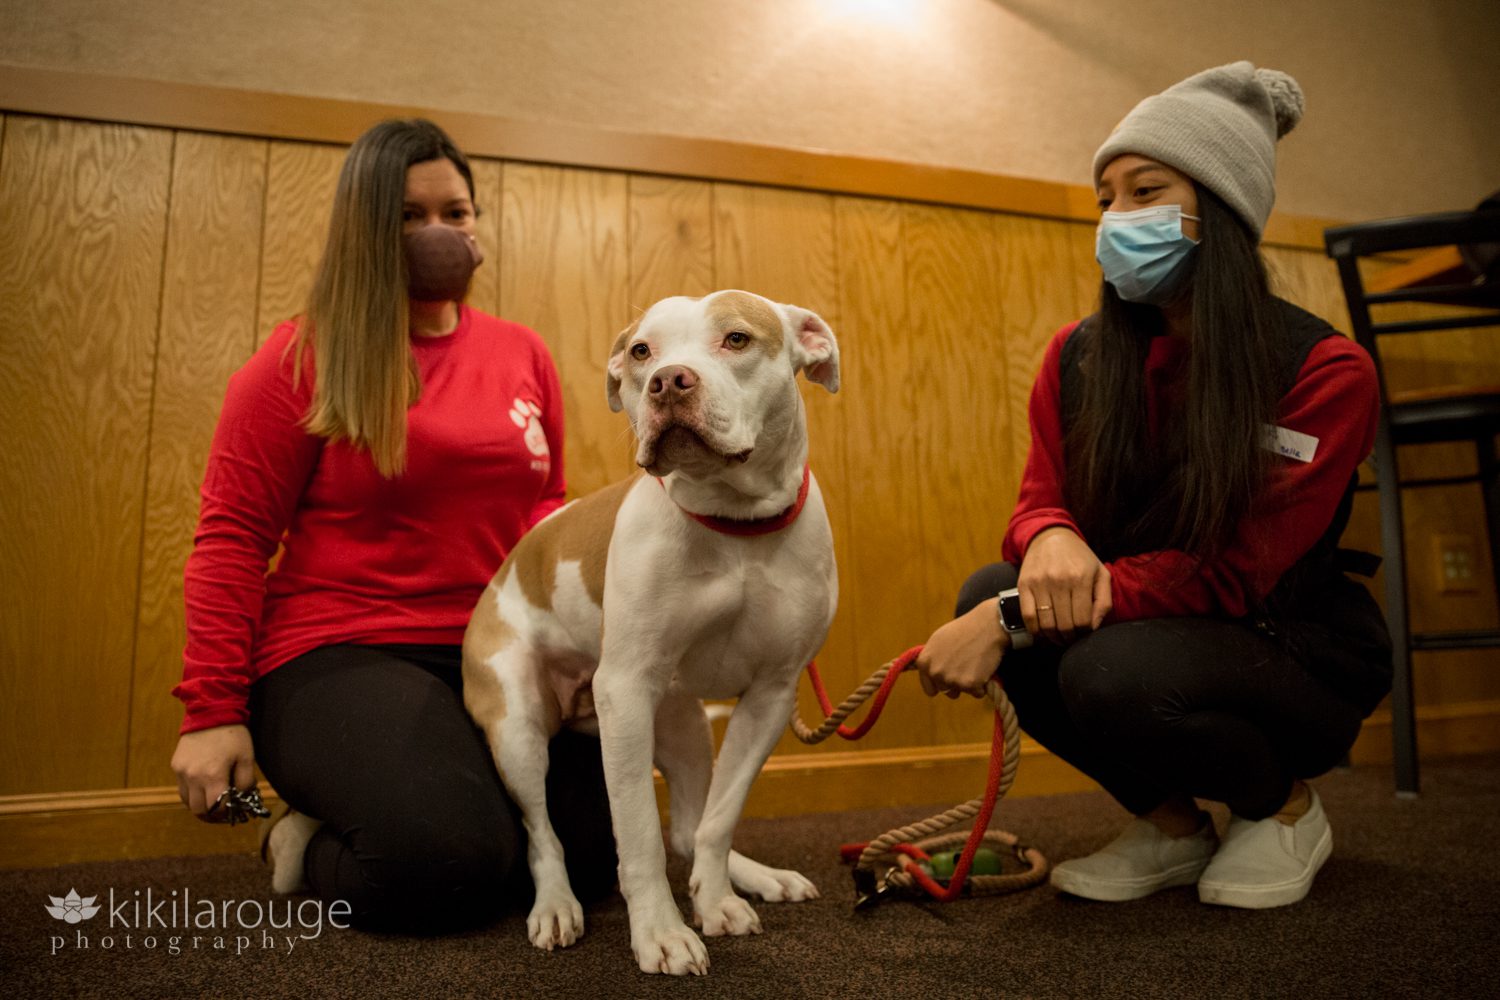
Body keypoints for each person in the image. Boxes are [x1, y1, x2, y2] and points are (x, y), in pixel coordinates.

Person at [916, 63, 1391, 909]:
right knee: (988, 586)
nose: (1115, 221)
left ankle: (1281, 808)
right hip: (1143, 627)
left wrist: (1012, 617)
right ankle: (1173, 827)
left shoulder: (1324, 369)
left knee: (1090, 659)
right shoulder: (1076, 355)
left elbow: (1233, 573)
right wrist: (1048, 539)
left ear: (1220, 208)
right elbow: (1038, 501)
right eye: (1106, 200)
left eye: (1145, 192)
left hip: (1288, 650)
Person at [169, 118, 616, 929]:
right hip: (339, 651)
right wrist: (211, 711)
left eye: (457, 212)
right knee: (442, 860)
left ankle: (442, 815)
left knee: (602, 855)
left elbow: (544, 510)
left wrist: (579, 643)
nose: (440, 233)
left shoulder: (522, 352)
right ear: (366, 229)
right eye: (410, 217)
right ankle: (303, 839)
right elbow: (232, 541)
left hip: (495, 647)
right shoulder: (300, 360)